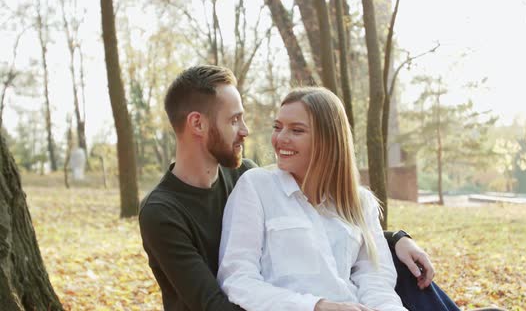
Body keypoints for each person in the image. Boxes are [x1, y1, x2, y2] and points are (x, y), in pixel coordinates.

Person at [139, 65, 457, 311]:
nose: (247, 131)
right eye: (235, 120)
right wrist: (314, 306)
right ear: (198, 124)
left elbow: (326, 230)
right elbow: (217, 302)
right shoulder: (163, 212)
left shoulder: (243, 175)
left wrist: (392, 240)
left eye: (295, 129)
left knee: (408, 275)